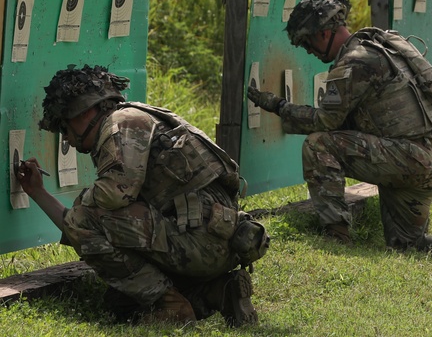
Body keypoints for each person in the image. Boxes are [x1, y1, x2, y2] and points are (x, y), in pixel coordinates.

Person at [246, 0, 432, 257]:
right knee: (407, 245)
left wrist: (279, 106)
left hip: (404, 159)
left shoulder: (353, 63)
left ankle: (337, 235)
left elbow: (326, 121)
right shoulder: (380, 47)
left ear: (324, 33)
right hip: (425, 160)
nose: (309, 51)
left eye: (308, 43)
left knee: (318, 144)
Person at [15, 65, 266, 326]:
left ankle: (170, 307)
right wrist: (38, 192)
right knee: (121, 303)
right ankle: (221, 291)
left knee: (86, 217)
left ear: (86, 112)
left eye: (64, 126)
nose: (67, 138)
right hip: (218, 241)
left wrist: (80, 208)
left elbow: (106, 203)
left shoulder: (122, 124)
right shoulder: (138, 117)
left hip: (200, 244)